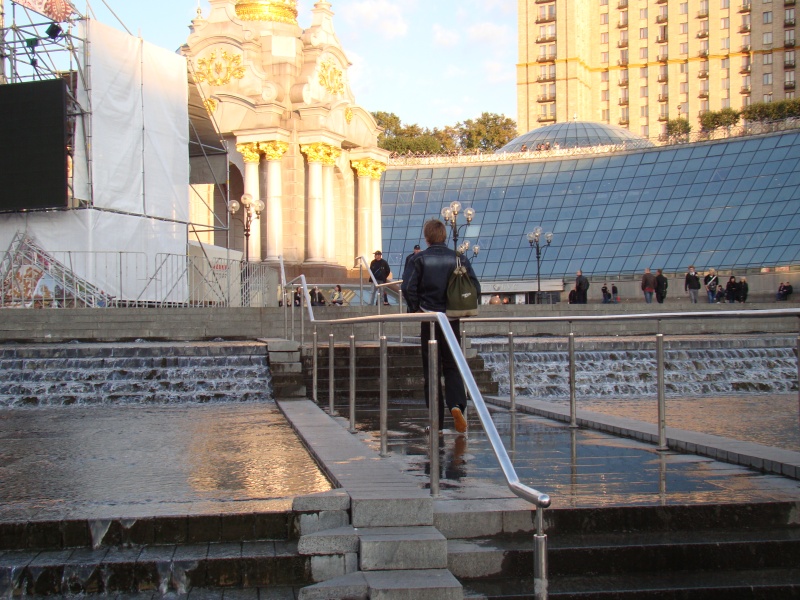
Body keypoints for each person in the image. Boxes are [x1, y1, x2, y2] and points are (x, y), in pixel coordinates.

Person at [406, 219, 480, 434]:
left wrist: (415, 308)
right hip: (452, 319)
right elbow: (475, 286)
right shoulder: (458, 258)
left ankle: (436, 421)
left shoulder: (418, 259)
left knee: (432, 369)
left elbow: (408, 287)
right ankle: (457, 405)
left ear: (427, 237)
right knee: (452, 365)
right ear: (445, 236)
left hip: (429, 319)